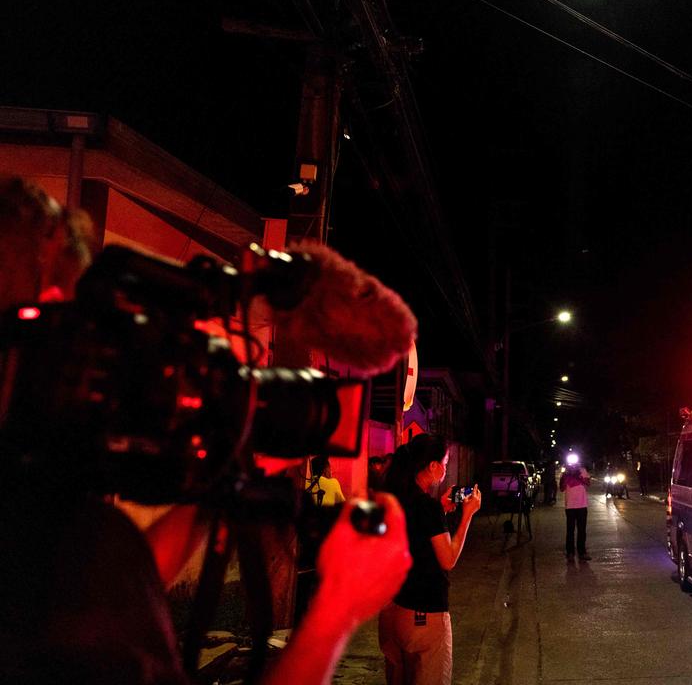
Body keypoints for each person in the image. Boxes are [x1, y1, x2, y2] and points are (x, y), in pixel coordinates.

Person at [0, 175, 413, 685]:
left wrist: (219, 472)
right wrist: (336, 612)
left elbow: (113, 580)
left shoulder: (47, 508)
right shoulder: (50, 542)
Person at [379, 433, 482, 685]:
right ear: (433, 465)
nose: (446, 469)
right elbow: (447, 559)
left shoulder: (393, 498)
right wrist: (467, 515)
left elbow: (416, 536)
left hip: (392, 612)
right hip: (423, 614)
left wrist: (442, 510)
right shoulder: (426, 507)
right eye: (445, 463)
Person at [559, 457, 591, 561]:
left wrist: (579, 476)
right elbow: (562, 488)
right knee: (570, 530)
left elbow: (588, 483)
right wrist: (566, 476)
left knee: (582, 530)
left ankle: (582, 552)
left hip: (582, 505)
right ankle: (570, 553)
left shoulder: (582, 471)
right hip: (570, 506)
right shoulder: (565, 473)